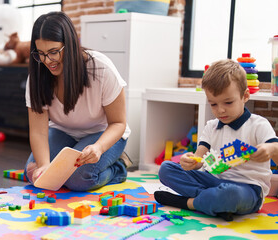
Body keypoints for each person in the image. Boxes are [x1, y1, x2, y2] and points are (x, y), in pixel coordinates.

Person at [154, 59, 278, 221]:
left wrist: (270, 150)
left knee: (229, 194)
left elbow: (275, 150)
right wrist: (189, 161)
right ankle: (212, 202)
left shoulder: (258, 124)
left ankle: (188, 203)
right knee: (166, 168)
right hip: (212, 181)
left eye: (228, 102)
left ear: (245, 96)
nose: (220, 110)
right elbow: (198, 160)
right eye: (213, 104)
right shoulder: (212, 126)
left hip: (247, 189)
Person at [23, 12, 131, 192]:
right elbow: (38, 131)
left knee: (79, 180)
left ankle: (118, 168)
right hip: (63, 132)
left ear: (70, 45)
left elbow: (118, 123)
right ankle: (65, 172)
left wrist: (98, 148)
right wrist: (44, 166)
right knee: (34, 173)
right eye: (40, 53)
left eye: (53, 52)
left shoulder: (101, 68)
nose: (47, 61)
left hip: (102, 134)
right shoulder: (37, 76)